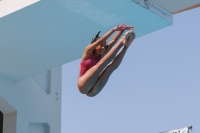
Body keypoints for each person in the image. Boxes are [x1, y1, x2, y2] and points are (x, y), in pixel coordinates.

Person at [77, 24, 136, 97]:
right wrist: (114, 29)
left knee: (110, 69)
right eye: (101, 45)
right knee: (101, 64)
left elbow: (113, 41)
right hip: (83, 85)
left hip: (92, 91)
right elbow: (100, 41)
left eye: (104, 46)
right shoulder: (88, 51)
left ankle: (126, 46)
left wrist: (122, 30)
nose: (103, 48)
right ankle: (121, 42)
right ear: (94, 46)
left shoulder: (101, 54)